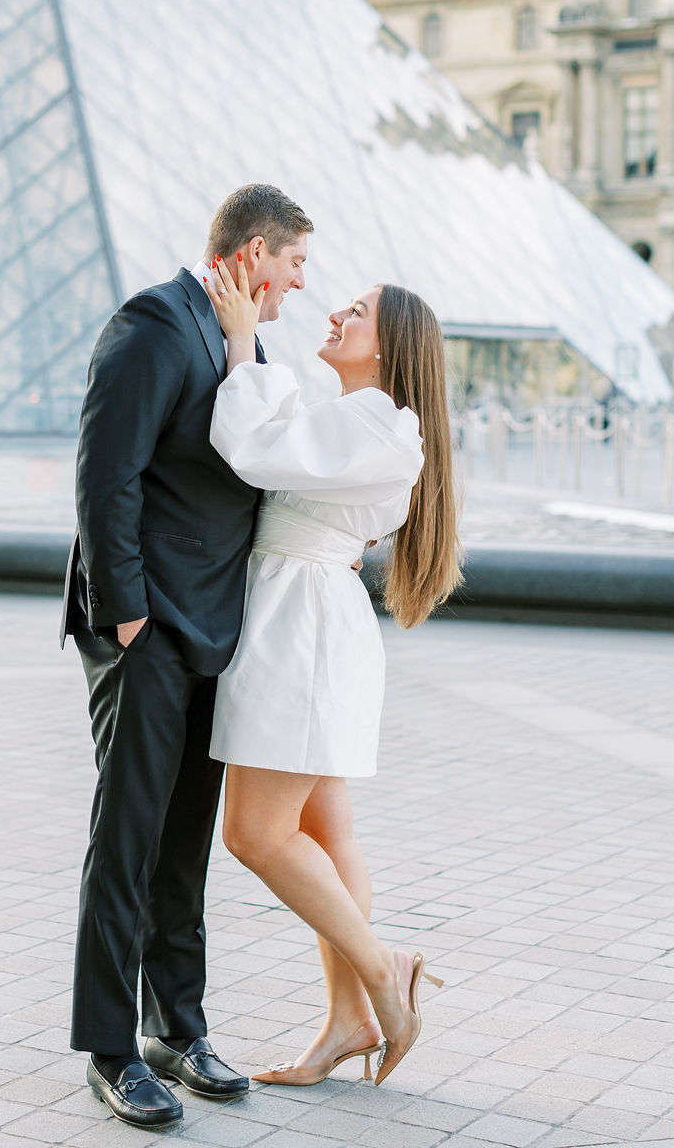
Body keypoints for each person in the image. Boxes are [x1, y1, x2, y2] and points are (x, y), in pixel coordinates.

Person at [59, 184, 312, 1128]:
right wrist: (123, 615)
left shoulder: (247, 343)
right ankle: (112, 1048)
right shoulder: (152, 324)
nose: (297, 287)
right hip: (148, 627)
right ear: (253, 252)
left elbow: (257, 466)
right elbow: (104, 473)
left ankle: (178, 1026)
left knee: (184, 838)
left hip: (212, 626)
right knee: (126, 839)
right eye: (293, 266)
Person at [203, 258, 461, 1088]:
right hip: (309, 621)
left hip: (301, 632)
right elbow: (285, 445)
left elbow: (252, 446)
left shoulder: (381, 423)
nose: (336, 314)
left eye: (357, 311)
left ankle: (386, 973)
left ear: (393, 350)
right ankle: (347, 1021)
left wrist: (243, 339)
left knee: (255, 833)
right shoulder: (362, 418)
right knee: (324, 831)